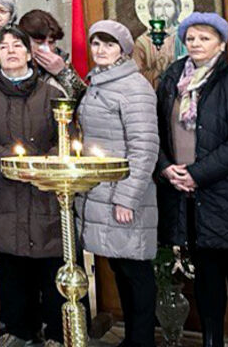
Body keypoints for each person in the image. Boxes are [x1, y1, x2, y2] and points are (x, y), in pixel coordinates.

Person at [156, 13, 228, 347]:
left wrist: (197, 173)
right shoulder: (171, 80)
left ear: (221, 44)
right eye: (190, 38)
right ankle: (212, 340)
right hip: (188, 197)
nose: (195, 44)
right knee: (206, 276)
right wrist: (166, 167)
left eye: (204, 38)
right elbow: (157, 131)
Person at [0, 25, 80, 347]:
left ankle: (57, 333)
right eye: (3, 47)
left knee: (51, 264)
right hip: (2, 191)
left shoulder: (52, 94)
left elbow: (69, 136)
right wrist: (11, 163)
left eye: (17, 46)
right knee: (12, 267)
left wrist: (43, 166)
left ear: (29, 54)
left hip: (45, 193)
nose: (11, 51)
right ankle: (20, 331)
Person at [78, 20, 158, 347]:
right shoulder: (98, 81)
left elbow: (144, 145)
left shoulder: (134, 86)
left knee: (135, 268)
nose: (101, 51)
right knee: (121, 267)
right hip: (102, 189)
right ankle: (133, 339)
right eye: (96, 44)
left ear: (123, 50)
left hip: (124, 191)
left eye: (109, 45)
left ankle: (143, 341)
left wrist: (127, 198)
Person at [17, 9, 86, 98]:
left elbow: (82, 99)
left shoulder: (61, 60)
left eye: (51, 42)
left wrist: (62, 72)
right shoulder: (14, 62)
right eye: (39, 42)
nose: (47, 49)